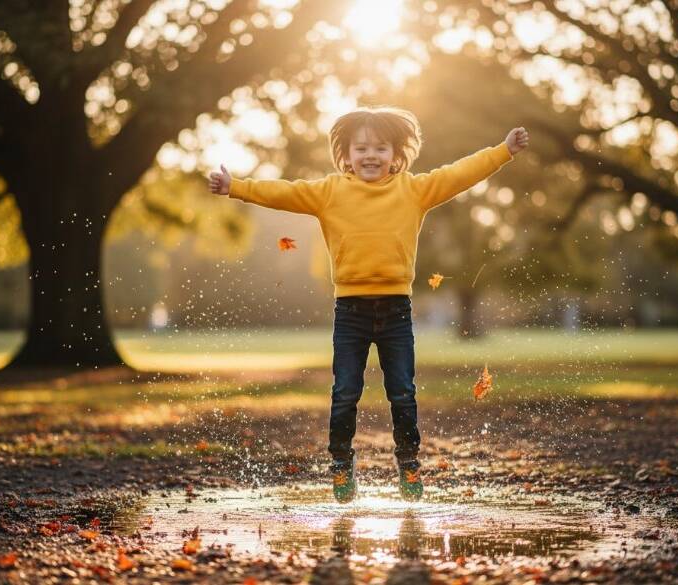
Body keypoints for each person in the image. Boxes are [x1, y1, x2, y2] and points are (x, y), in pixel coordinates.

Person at [209, 106, 529, 502]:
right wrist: (235, 186)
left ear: (397, 155)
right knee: (345, 393)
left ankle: (409, 467)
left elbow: (458, 174)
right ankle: (342, 467)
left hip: (396, 312)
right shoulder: (329, 192)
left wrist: (503, 151)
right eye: (361, 148)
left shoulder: (414, 190)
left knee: (403, 393)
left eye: (380, 147)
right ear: (345, 155)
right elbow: (283, 191)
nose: (371, 156)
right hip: (351, 314)